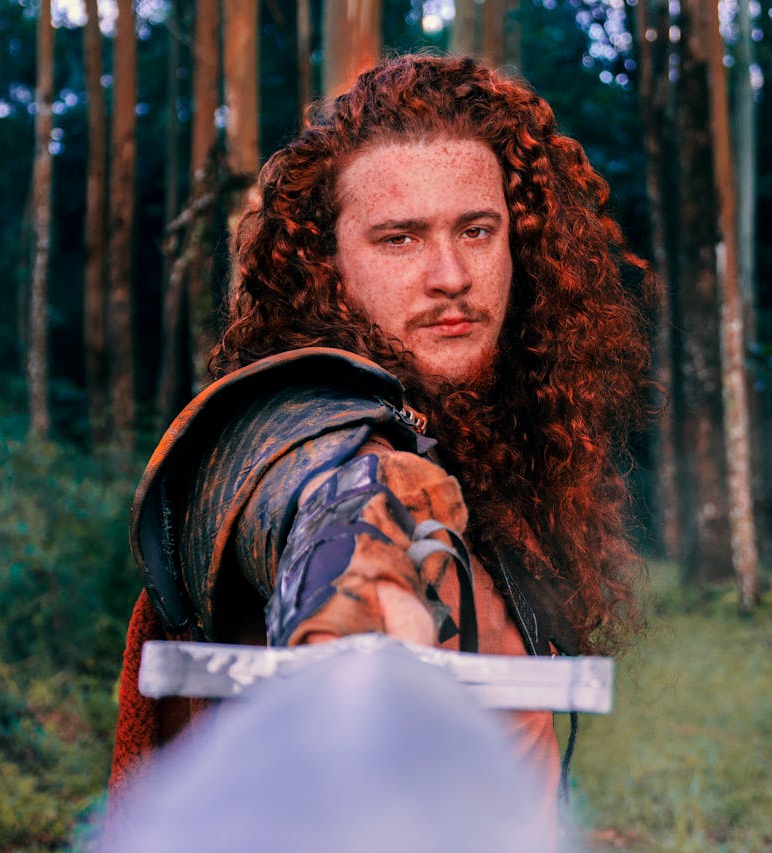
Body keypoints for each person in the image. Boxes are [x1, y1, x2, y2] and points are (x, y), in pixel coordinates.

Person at [109, 53, 655, 827]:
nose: (450, 273)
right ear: (327, 267)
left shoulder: (470, 438)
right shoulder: (315, 431)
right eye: (400, 239)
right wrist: (358, 619)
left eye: (477, 229)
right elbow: (342, 506)